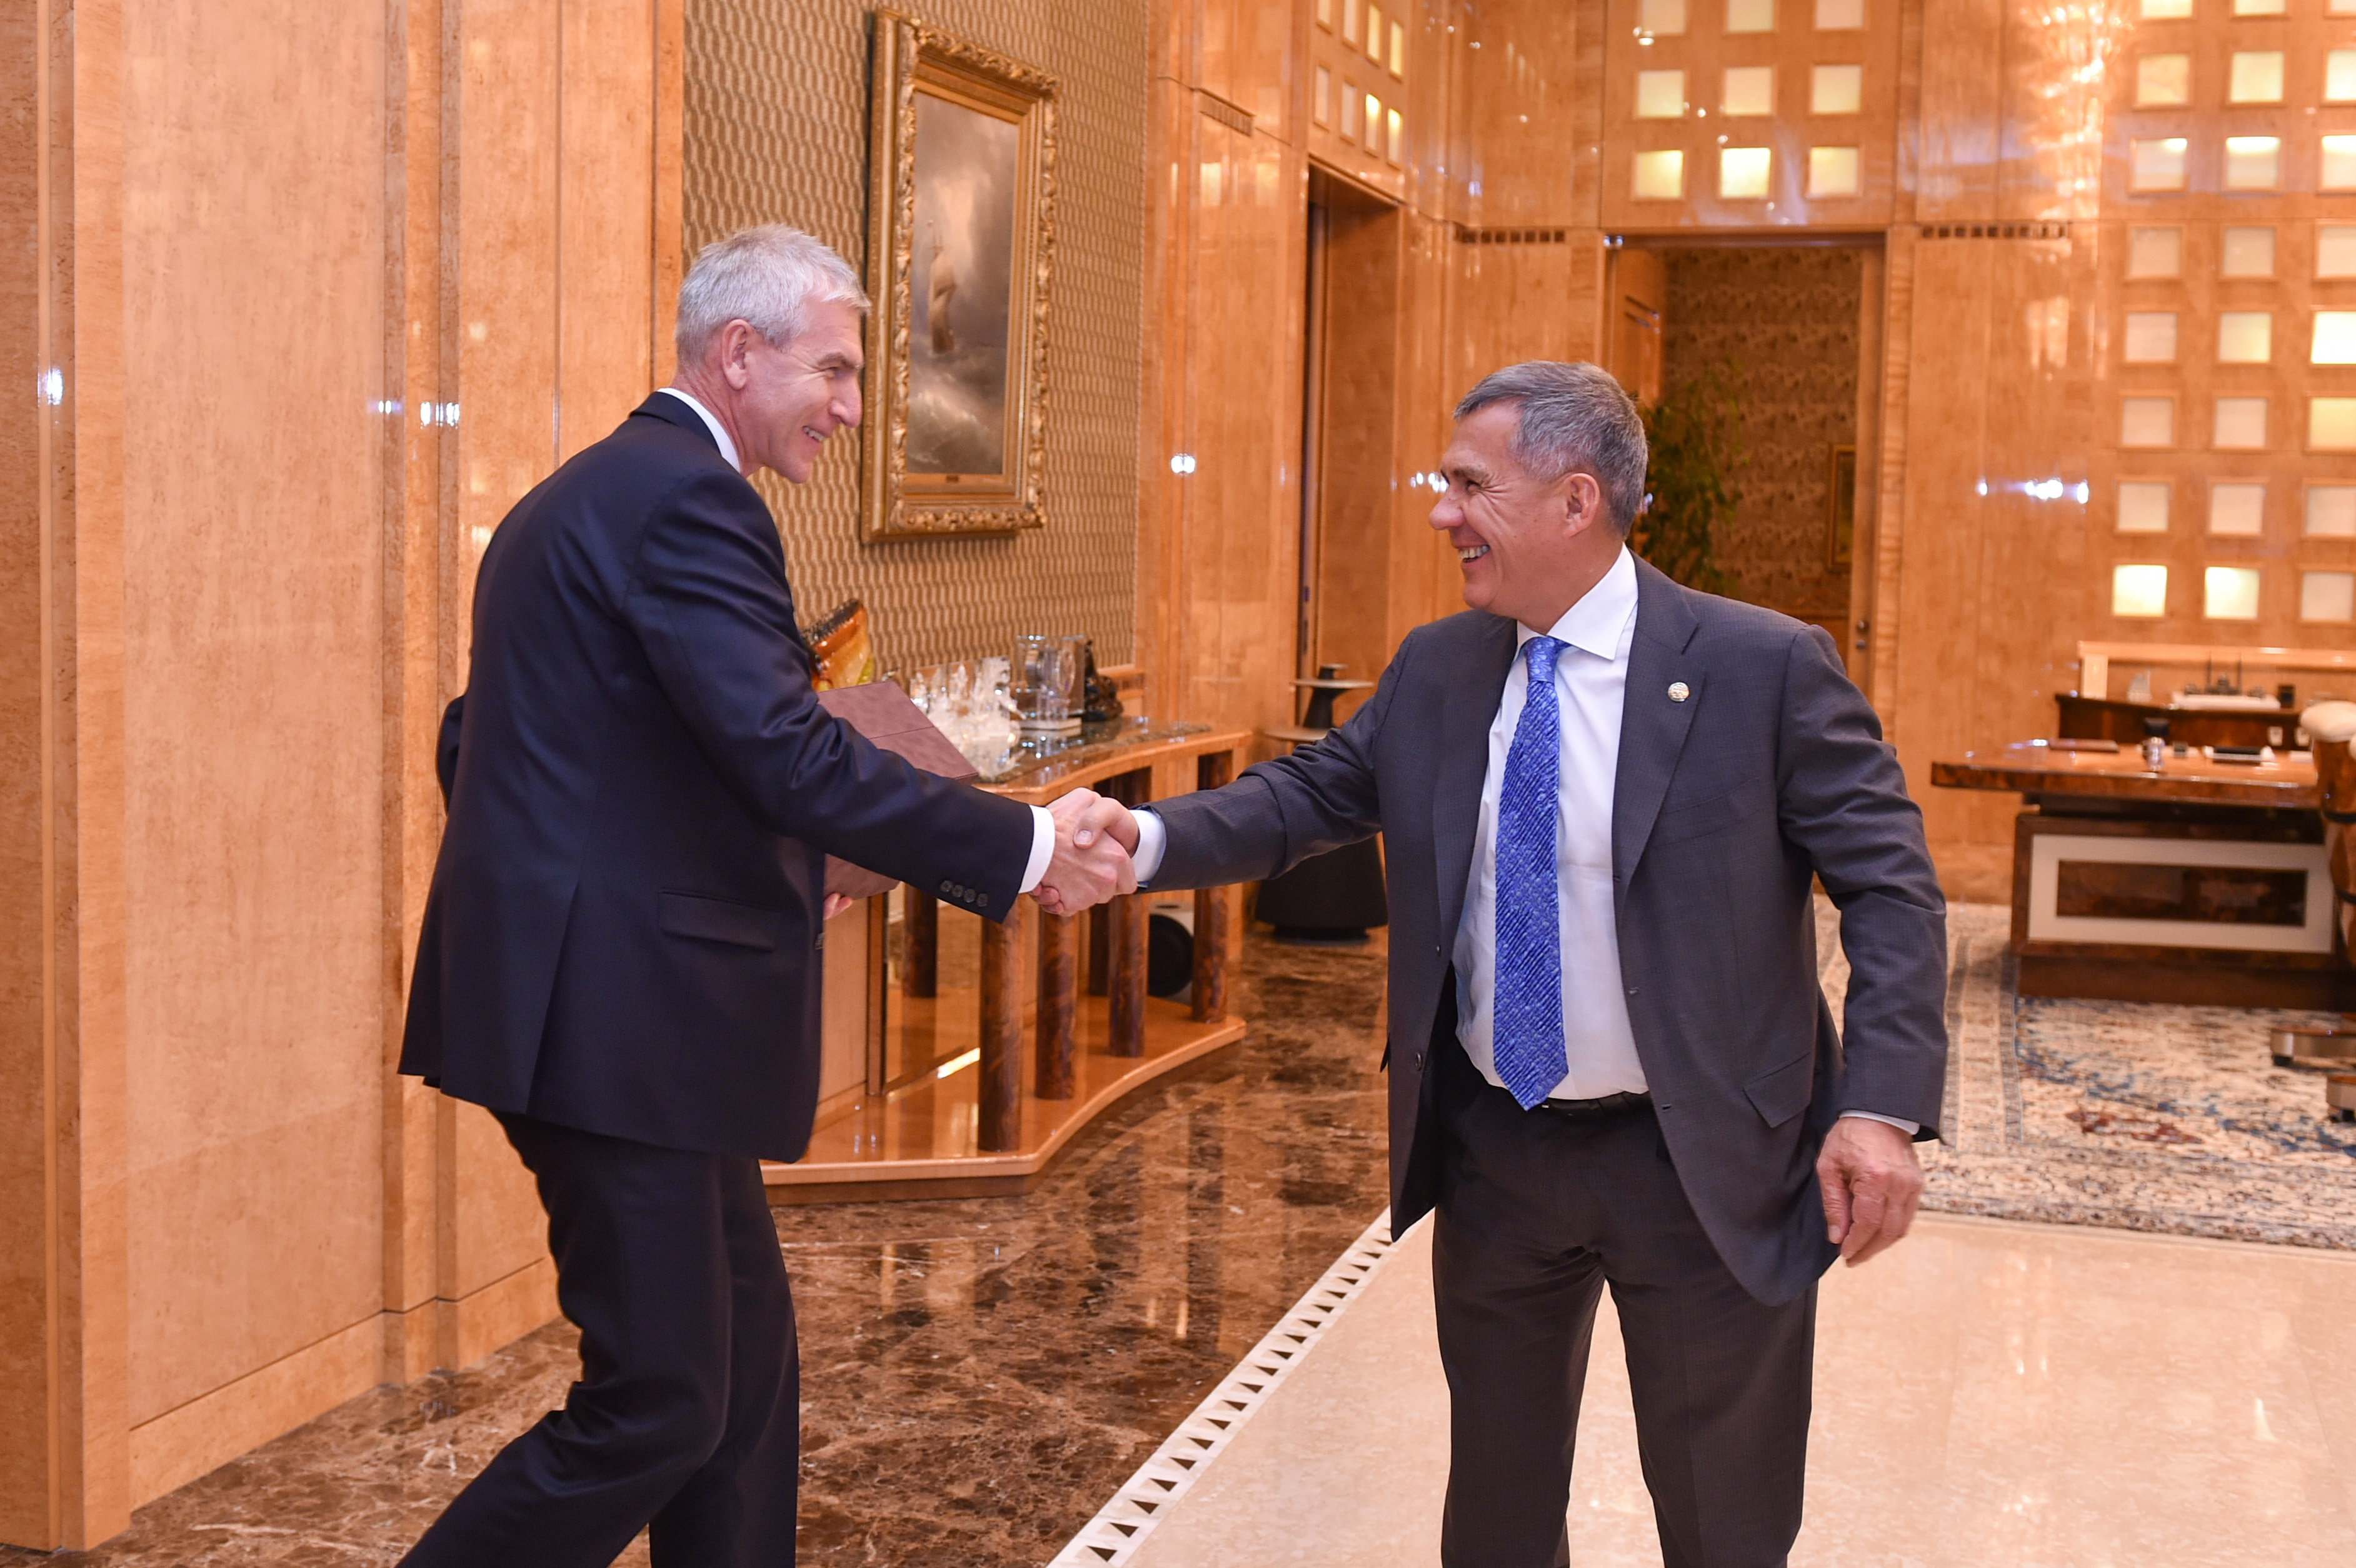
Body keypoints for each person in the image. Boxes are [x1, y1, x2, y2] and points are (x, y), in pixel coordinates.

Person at [1101, 361, 1948, 1567]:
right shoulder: (1441, 667)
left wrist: (1879, 1106)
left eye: (1468, 484)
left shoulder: (1762, 667)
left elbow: (1891, 888)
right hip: (1499, 1151)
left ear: (1575, 498)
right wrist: (1137, 839)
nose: (1440, 511)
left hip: (1702, 1157)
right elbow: (1306, 797)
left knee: (1724, 1518)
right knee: (1495, 1516)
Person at [396, 224, 1135, 1567]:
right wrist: (1026, 848)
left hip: (618, 1017)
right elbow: (783, 752)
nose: (851, 408)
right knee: (662, 1401)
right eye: (834, 371)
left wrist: (777, 862)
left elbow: (498, 742)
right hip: (616, 1028)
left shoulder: (585, 495)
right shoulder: (692, 501)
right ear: (738, 352)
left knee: (741, 1381)